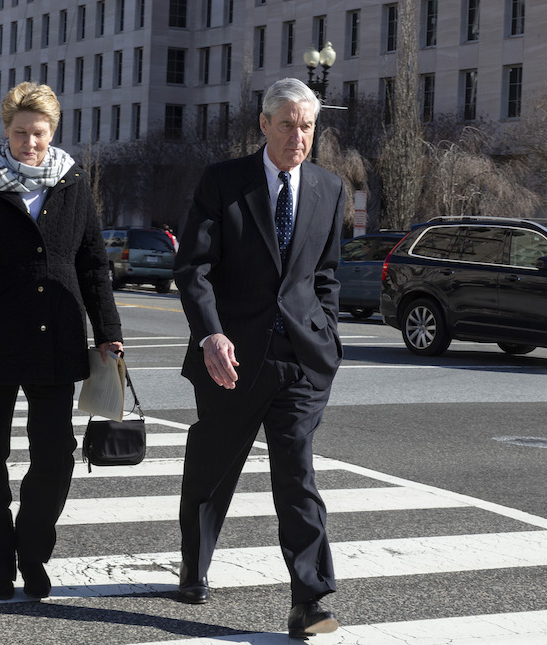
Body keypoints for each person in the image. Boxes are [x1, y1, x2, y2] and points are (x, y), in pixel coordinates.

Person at [0, 82, 124, 601]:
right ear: (5, 131)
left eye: (38, 133)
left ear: (52, 132)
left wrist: (108, 334)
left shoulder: (74, 180)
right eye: (20, 133)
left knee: (56, 455)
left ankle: (33, 552)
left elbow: (93, 263)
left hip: (57, 337)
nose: (29, 144)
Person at [173, 77, 345, 639]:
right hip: (232, 360)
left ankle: (311, 599)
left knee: (297, 475)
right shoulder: (223, 183)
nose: (300, 136)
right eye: (290, 124)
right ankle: (195, 567)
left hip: (300, 360)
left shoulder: (328, 187)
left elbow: (326, 276)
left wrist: (327, 336)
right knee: (213, 466)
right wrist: (210, 335)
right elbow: (193, 269)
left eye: (308, 126)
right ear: (264, 124)